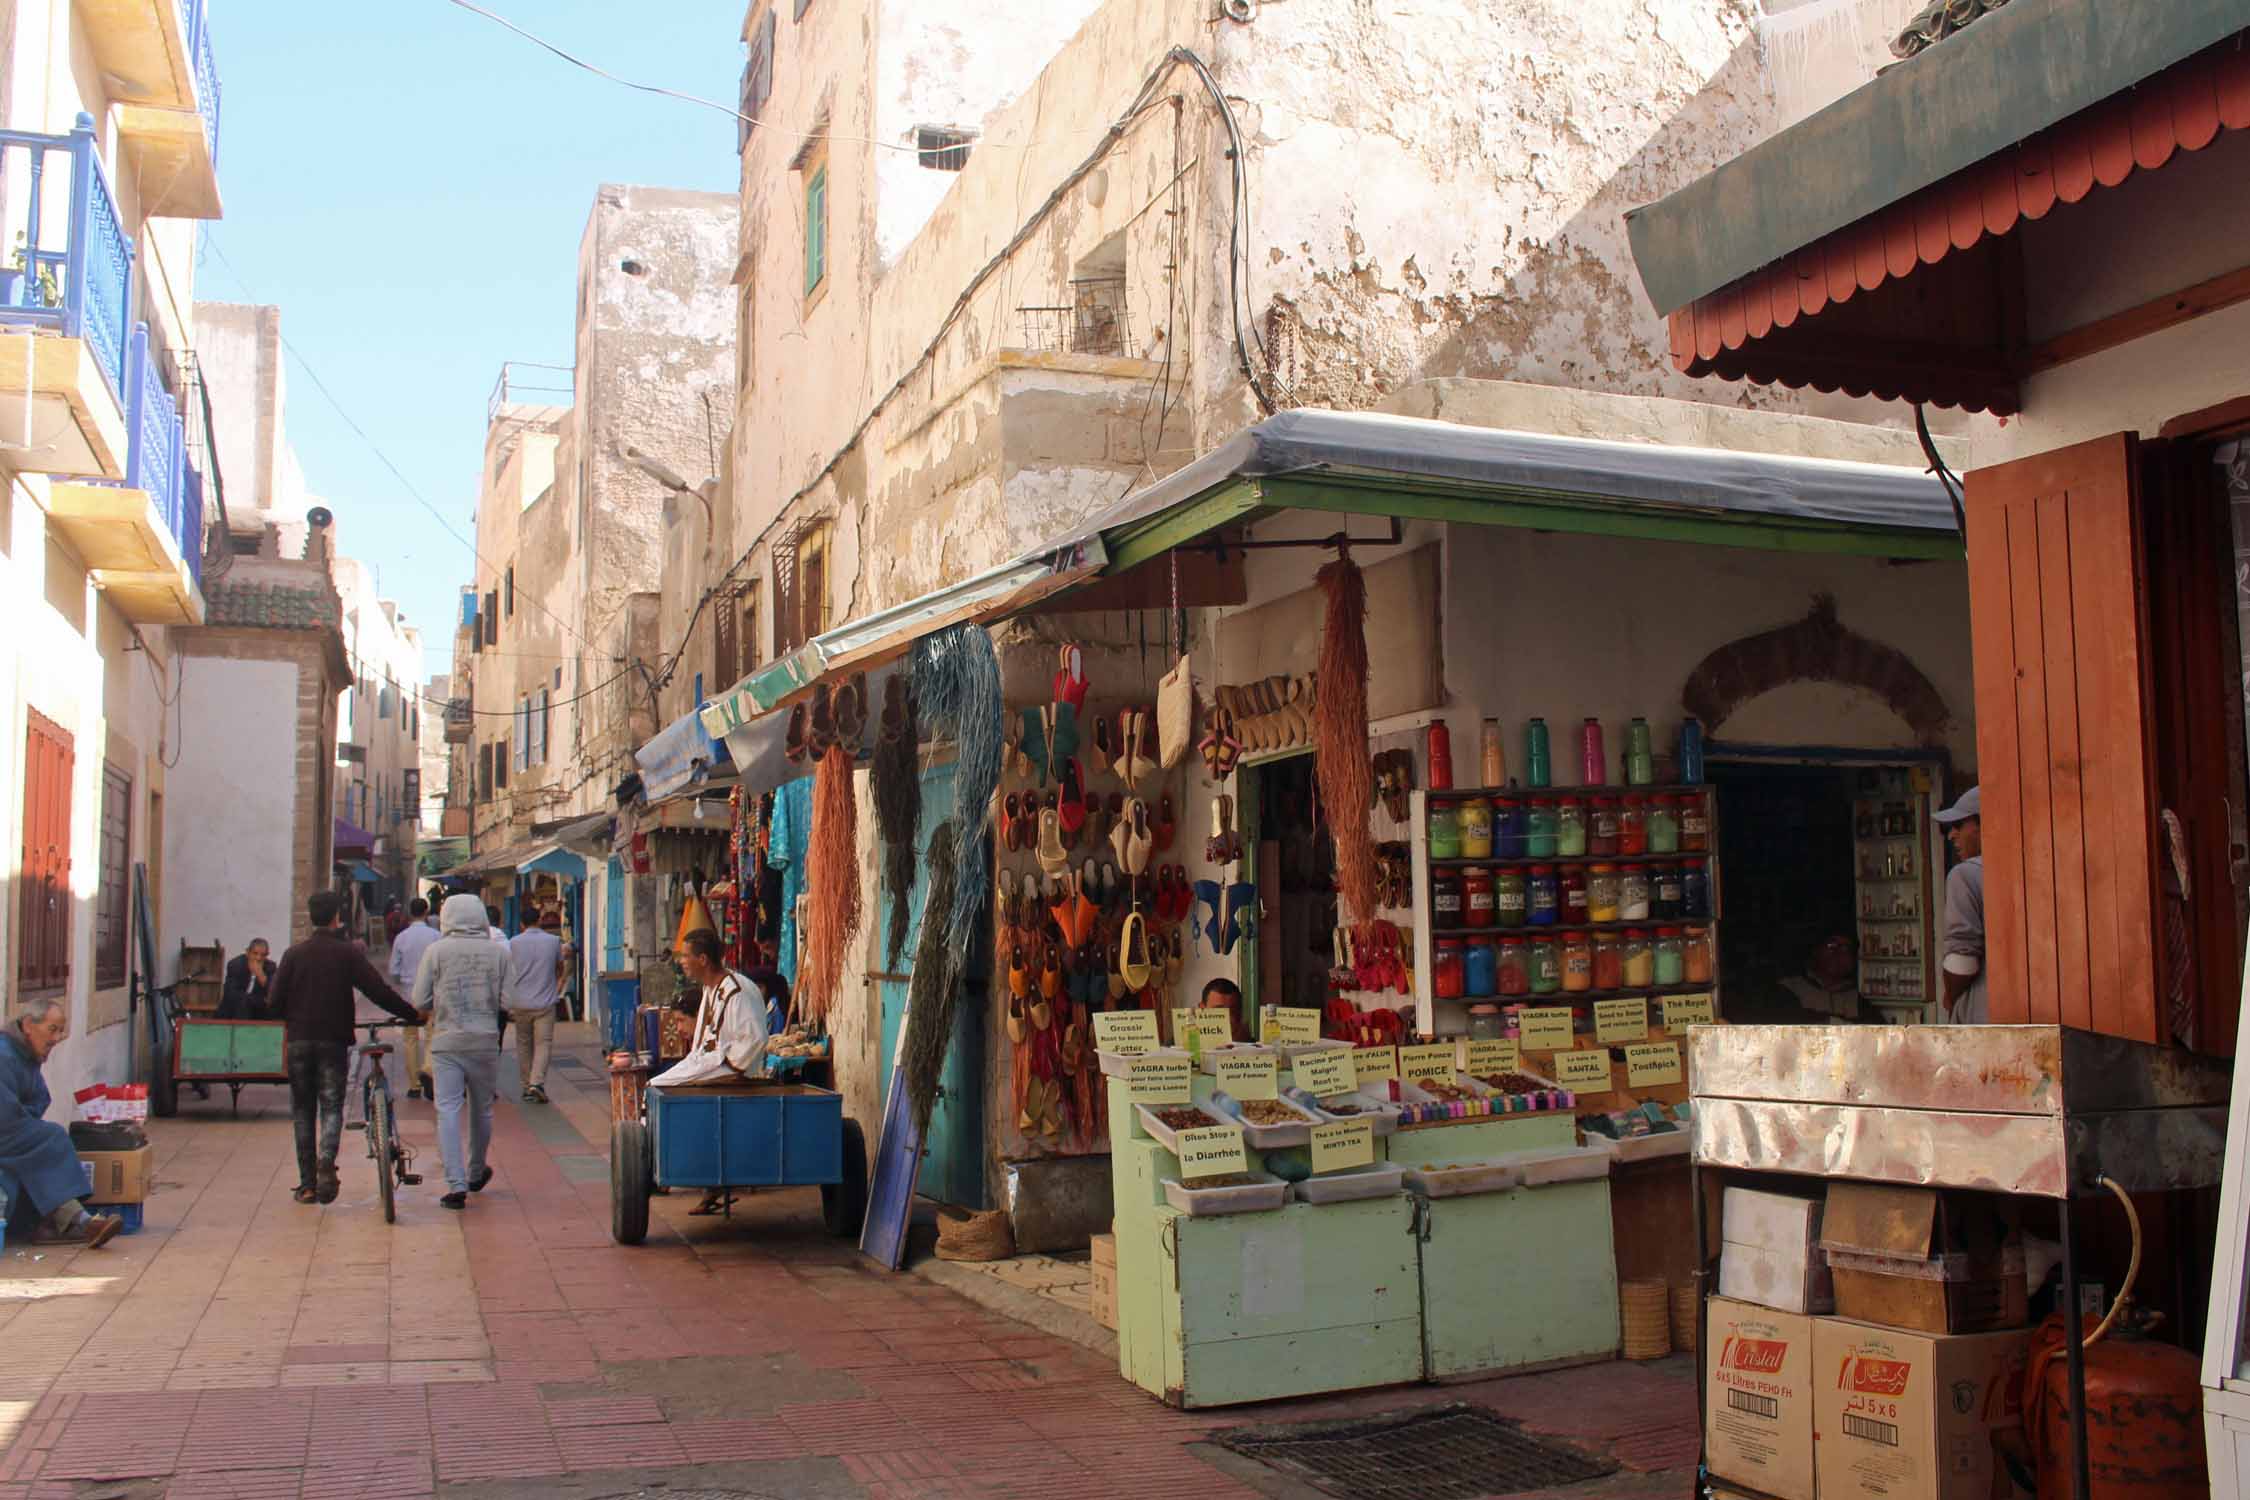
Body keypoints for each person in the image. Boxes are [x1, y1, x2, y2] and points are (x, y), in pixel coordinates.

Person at [268, 891, 424, 1204]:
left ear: (312, 916)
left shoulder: (293, 954)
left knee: (302, 1111)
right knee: (330, 1106)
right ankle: (327, 1159)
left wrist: (295, 1015)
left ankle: (308, 1184)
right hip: (334, 1040)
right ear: (337, 917)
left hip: (299, 1041)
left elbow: (274, 1003)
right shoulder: (347, 954)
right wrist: (412, 1015)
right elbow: (377, 990)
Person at [655, 930, 772, 1216]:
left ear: (703, 959)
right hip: (713, 1065)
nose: (682, 961)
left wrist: (732, 1070)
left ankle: (681, 1164)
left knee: (665, 1087)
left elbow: (755, 1039)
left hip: (734, 1070)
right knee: (657, 1084)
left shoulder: (737, 989)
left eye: (686, 955)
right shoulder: (711, 989)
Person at [0, 1000, 124, 1249]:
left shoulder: (25, 1055)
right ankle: (79, 1221)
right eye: (52, 1029)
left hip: (11, 1131)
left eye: (60, 1032)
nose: (56, 1038)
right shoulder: (4, 1056)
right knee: (51, 1138)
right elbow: (7, 1117)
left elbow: (39, 1098)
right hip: (6, 1130)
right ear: (27, 1025)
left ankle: (63, 1222)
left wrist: (27, 1119)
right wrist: (30, 1124)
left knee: (38, 1150)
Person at [414, 894, 509, 1210]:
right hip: (484, 1042)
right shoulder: (498, 953)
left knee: (448, 1109)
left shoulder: (435, 952)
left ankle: (455, 1185)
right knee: (482, 1110)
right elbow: (511, 1000)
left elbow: (420, 999)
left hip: (446, 1043)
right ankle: (475, 1171)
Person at [1935, 786, 1986, 1024]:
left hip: (1988, 1022)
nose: (1951, 835)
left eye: (1959, 825)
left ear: (1984, 823)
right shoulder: (2046, 868)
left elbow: (1962, 962)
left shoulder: (1966, 874)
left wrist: (1950, 995)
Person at [505, 908, 566, 1104]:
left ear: (522, 924)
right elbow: (560, 968)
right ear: (539, 920)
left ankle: (526, 1086)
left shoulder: (512, 943)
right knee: (543, 1043)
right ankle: (536, 1082)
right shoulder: (553, 941)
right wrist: (554, 985)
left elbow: (509, 971)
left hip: (521, 1002)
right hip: (545, 1002)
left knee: (523, 1044)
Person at [387, 899, 442, 1099]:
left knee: (410, 1038)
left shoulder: (402, 938)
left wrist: (403, 980)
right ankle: (428, 1069)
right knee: (431, 1035)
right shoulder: (436, 936)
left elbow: (393, 969)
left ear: (410, 912)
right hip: (432, 993)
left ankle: (414, 1084)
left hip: (409, 995)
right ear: (426, 912)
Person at [1779, 935, 1863, 1020]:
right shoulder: (1789, 987)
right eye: (1831, 945)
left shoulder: (1860, 997)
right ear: (1815, 950)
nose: (1838, 952)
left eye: (1846, 948)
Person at [220, 939, 277, 1020]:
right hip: (233, 1011)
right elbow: (231, 994)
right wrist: (260, 1000)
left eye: (263, 955)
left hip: (257, 1012)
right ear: (247, 952)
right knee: (242, 1004)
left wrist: (261, 976)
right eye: (255, 953)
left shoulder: (270, 967)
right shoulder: (235, 965)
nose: (258, 958)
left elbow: (273, 995)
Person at [1197, 977, 1249, 1042]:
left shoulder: (1254, 1048)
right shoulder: (1190, 1045)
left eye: (1233, 1011)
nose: (1229, 1018)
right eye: (1219, 1011)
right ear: (1202, 1009)